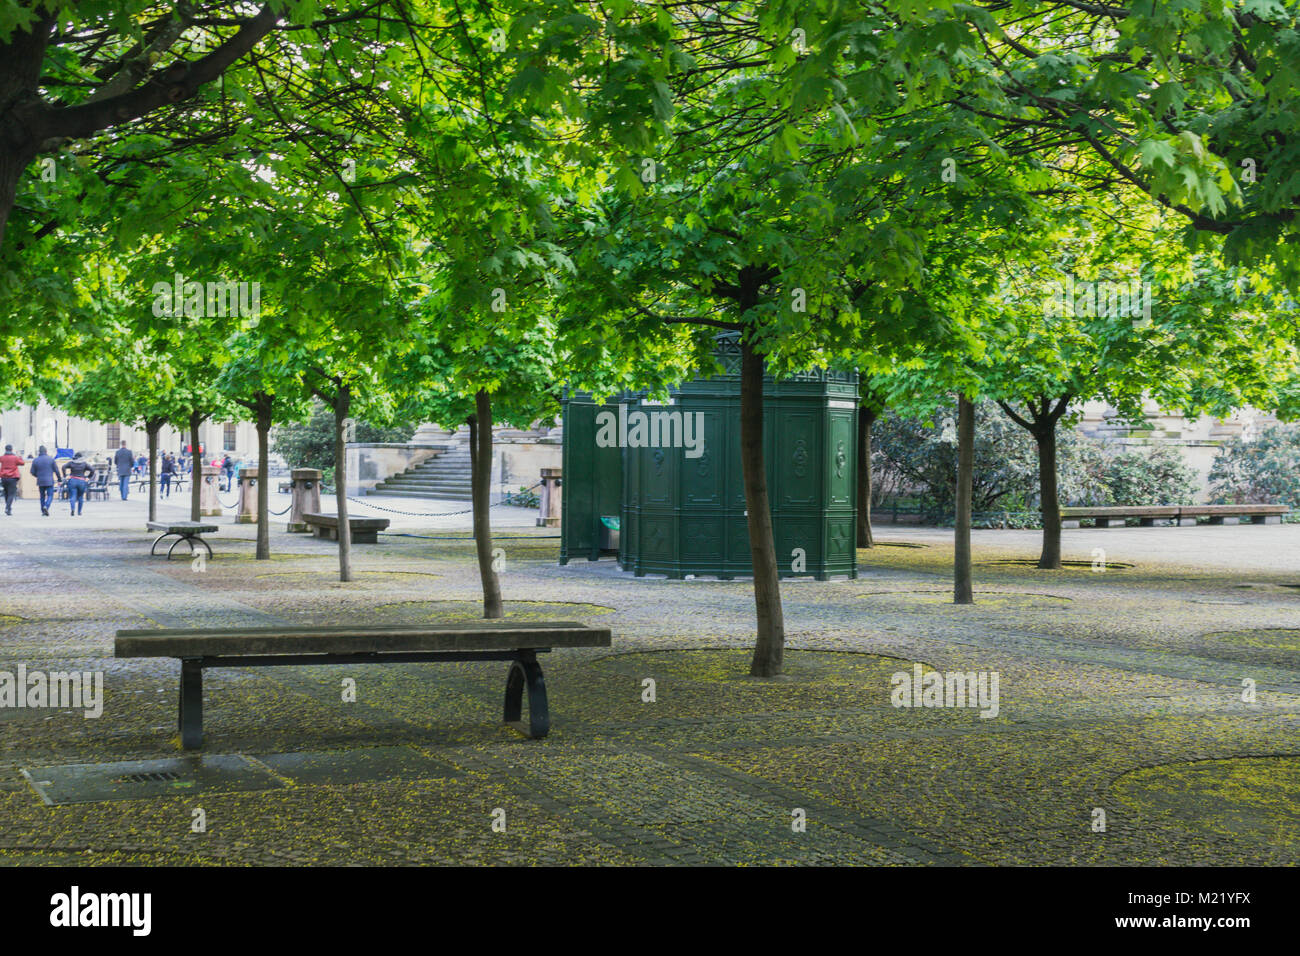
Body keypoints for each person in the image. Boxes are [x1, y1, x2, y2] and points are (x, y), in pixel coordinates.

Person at [29, 446, 60, 516]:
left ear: (39, 452)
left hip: (40, 481)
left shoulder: (35, 460)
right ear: (46, 451)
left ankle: (43, 510)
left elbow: (32, 472)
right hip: (49, 481)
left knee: (42, 496)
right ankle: (46, 506)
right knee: (50, 495)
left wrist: (38, 476)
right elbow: (56, 471)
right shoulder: (51, 459)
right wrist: (59, 479)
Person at [63, 452, 92, 516]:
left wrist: (65, 476)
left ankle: (73, 509)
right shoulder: (84, 464)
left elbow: (63, 467)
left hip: (72, 480)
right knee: (80, 497)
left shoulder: (71, 463)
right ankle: (79, 512)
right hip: (82, 481)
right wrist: (88, 477)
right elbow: (92, 470)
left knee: (73, 496)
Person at [0, 444, 22, 515]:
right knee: (11, 494)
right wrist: (19, 456)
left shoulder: (2, 457)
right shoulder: (15, 458)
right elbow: (22, 463)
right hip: (12, 477)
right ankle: (7, 507)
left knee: (6, 493)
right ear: (11, 449)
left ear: (5, 449)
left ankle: (8, 509)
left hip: (4, 477)